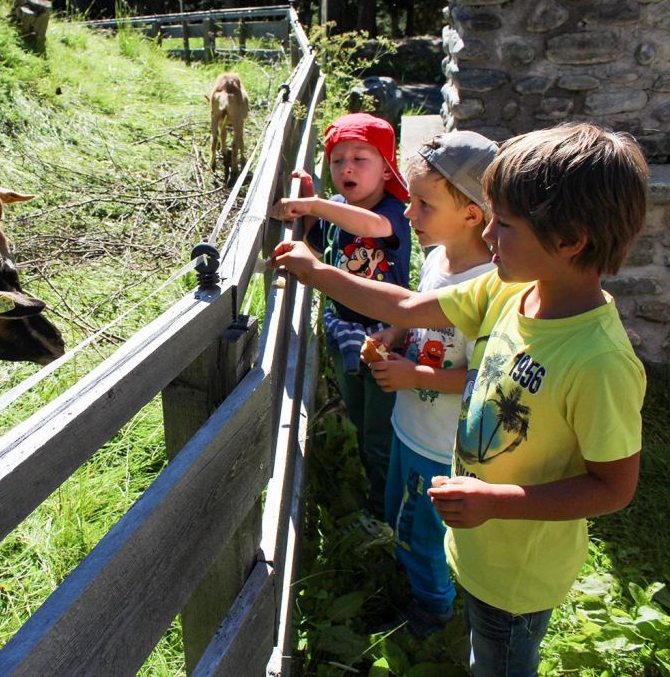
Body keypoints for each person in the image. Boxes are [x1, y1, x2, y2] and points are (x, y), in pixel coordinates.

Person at [269, 122, 647, 676]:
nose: (489, 234)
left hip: (517, 572)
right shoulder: (509, 289)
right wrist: (320, 272)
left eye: (506, 223)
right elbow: (406, 309)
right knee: (481, 644)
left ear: (569, 240)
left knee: (501, 659)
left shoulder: (599, 361)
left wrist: (496, 501)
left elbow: (614, 486)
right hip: (477, 545)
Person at [367, 131, 498, 637]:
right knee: (402, 512)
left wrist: (413, 374)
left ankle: (434, 610)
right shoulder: (438, 257)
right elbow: (421, 314)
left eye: (423, 203)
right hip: (411, 423)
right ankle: (425, 583)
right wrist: (395, 332)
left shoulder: (491, 285)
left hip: (442, 443)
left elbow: (489, 375)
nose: (409, 212)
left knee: (421, 534)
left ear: (472, 212)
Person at [272, 112, 411, 528]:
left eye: (360, 158)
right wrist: (316, 205)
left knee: (381, 431)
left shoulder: (394, 212)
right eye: (337, 160)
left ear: (387, 168)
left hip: (387, 335)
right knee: (359, 411)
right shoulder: (339, 208)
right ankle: (377, 489)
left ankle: (387, 511)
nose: (346, 167)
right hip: (345, 330)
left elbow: (371, 226)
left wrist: (318, 204)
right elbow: (322, 240)